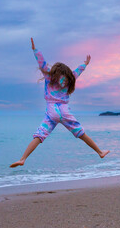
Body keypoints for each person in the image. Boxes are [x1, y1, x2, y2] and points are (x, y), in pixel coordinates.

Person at [10, 38, 110, 167]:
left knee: (40, 136)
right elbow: (78, 71)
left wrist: (35, 50)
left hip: (51, 111)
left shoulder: (50, 77)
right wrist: (85, 64)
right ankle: (100, 152)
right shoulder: (70, 78)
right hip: (64, 110)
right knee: (81, 133)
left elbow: (42, 63)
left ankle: (23, 159)